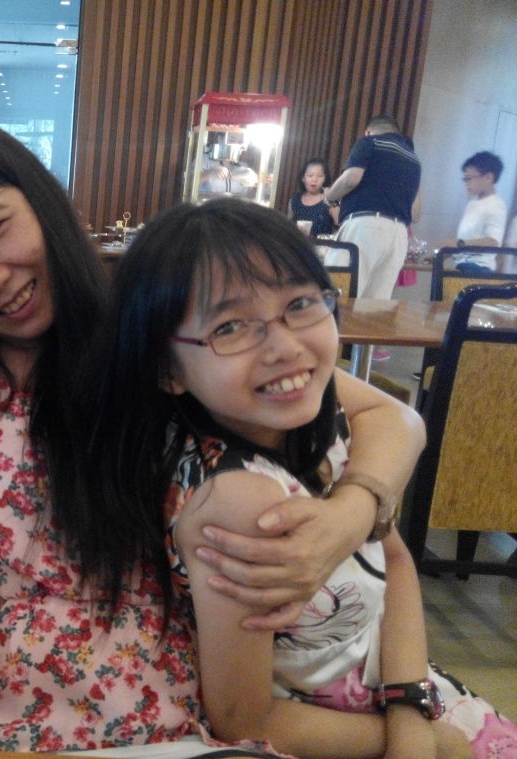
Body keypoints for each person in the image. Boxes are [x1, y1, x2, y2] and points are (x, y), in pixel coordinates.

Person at [0, 114, 426, 752]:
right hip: (10, 713)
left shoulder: (160, 335)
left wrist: (350, 515)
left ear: (39, 198)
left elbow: (390, 416)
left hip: (187, 712)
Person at [82, 197, 516, 758]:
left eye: (301, 303)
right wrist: (419, 739)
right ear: (167, 369)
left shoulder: (318, 415)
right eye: (230, 327)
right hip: (333, 735)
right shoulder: (241, 500)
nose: (285, 348)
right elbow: (243, 718)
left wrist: (411, 707)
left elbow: (396, 561)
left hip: (400, 691)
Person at [323, 115, 422, 299]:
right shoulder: (413, 159)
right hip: (399, 235)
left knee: (340, 292)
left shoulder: (370, 142)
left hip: (366, 226)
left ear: (368, 131)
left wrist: (329, 196)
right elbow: (416, 213)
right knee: (375, 305)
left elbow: (351, 178)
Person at [434, 151, 507, 273]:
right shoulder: (472, 203)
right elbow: (466, 241)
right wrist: (444, 252)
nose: (466, 184)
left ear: (488, 177)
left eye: (469, 179)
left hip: (479, 268)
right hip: (463, 265)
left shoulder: (496, 204)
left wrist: (459, 243)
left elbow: (493, 242)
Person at [288, 158, 338, 236]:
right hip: (298, 242)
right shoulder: (295, 199)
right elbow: (288, 225)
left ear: (325, 179)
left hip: (322, 243)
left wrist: (332, 203)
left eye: (320, 176)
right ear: (303, 178)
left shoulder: (330, 200)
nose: (314, 179)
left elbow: (339, 226)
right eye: (310, 175)